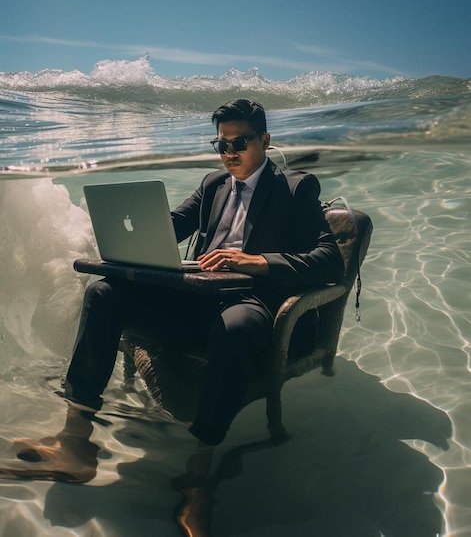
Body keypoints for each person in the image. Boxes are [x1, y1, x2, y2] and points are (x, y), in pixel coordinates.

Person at [0, 99, 344, 482]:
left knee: (235, 327)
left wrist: (255, 261)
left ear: (265, 139)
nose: (229, 153)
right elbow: (171, 226)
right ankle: (76, 441)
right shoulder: (213, 185)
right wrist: (130, 228)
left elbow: (330, 260)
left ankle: (200, 470)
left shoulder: (295, 188)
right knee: (104, 293)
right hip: (198, 299)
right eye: (222, 144)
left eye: (240, 142)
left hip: (252, 301)